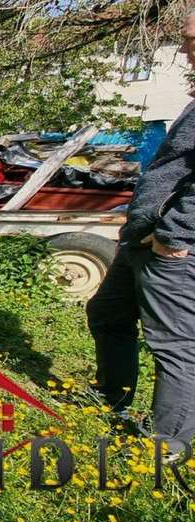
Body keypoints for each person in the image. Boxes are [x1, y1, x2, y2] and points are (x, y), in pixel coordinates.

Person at [88, 10, 195, 447]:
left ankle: (168, 445)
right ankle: (112, 396)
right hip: (142, 239)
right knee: (107, 314)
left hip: (170, 246)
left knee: (173, 345)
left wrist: (174, 235)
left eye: (191, 40)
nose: (186, 51)